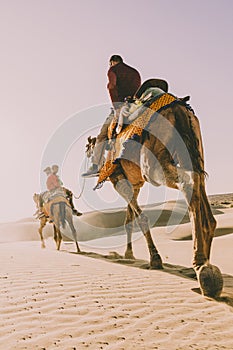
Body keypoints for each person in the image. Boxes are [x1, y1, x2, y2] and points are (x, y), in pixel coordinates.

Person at [82, 55, 141, 177]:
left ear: (112, 62)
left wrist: (116, 106)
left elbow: (111, 86)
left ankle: (96, 166)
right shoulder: (134, 72)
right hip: (138, 106)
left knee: (102, 136)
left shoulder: (113, 70)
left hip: (123, 107)